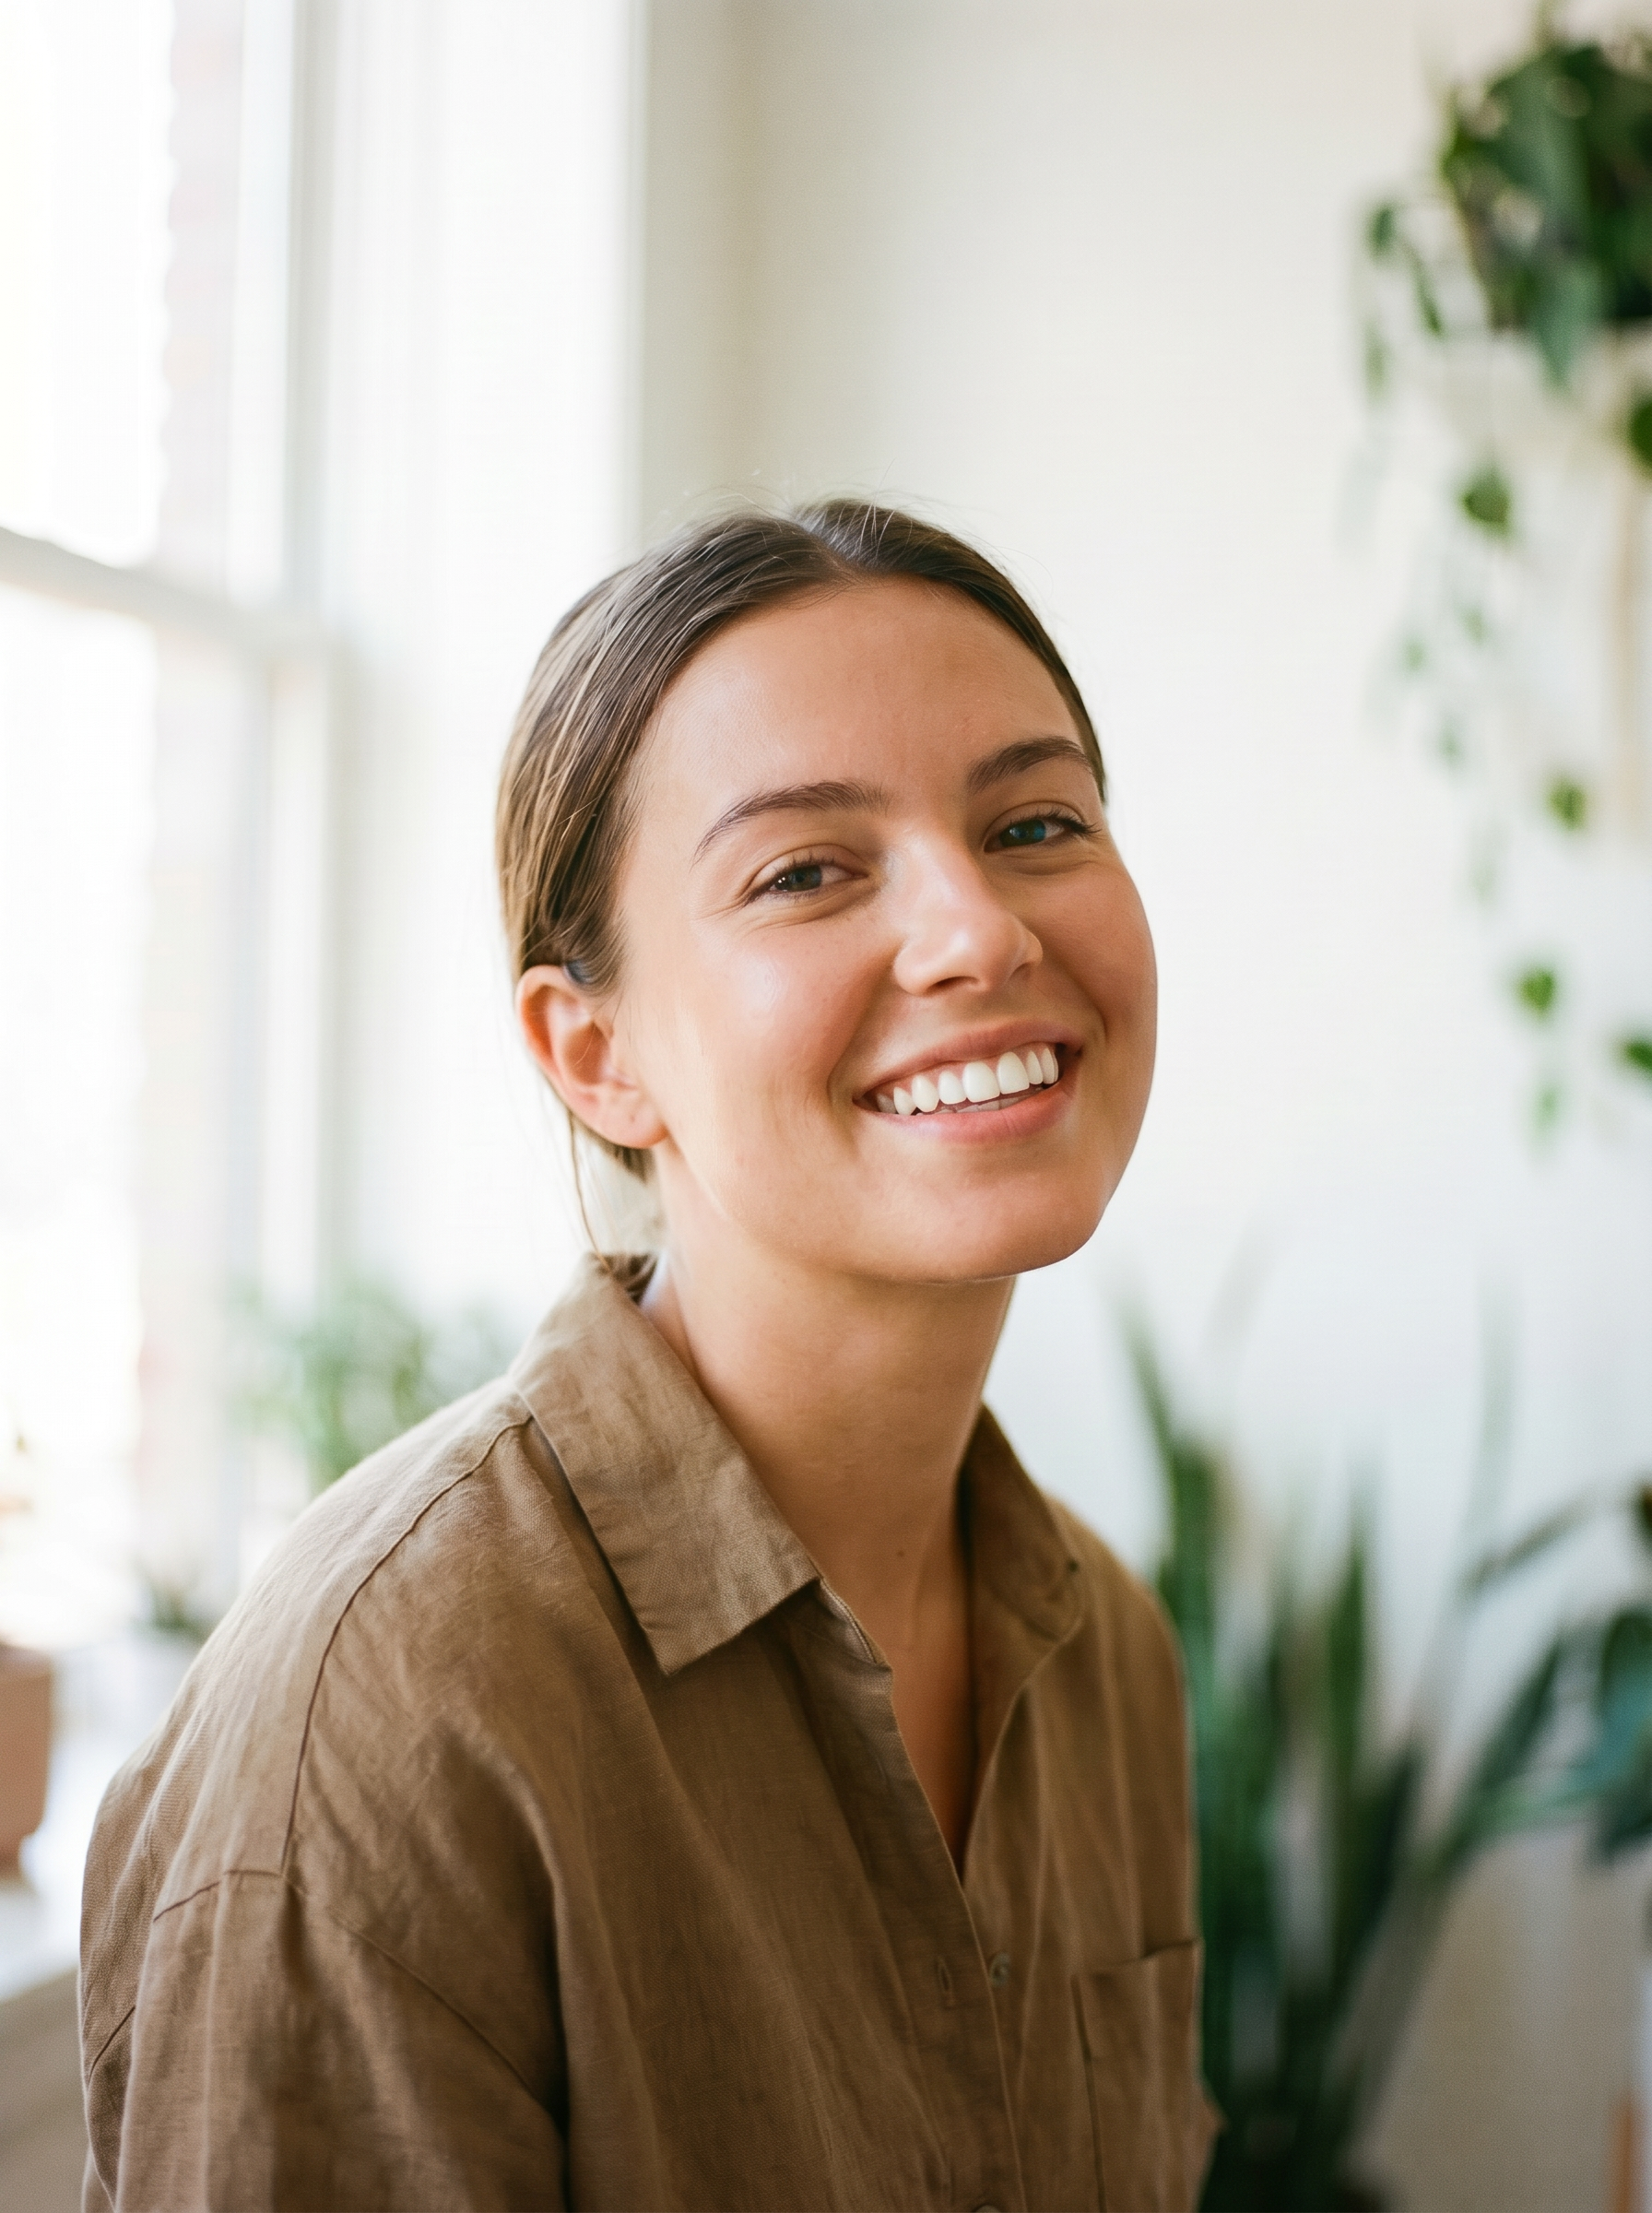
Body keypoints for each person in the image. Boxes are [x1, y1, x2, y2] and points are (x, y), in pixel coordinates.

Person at [79, 501, 1214, 2211]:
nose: (979, 932)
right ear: (595, 1053)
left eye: (1038, 821)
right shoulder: (385, 1734)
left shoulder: (1102, 1656)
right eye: (807, 871)